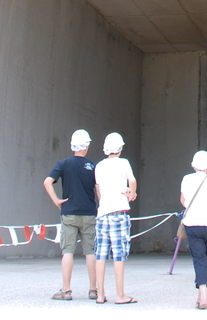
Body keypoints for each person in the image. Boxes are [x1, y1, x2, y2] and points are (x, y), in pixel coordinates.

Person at [43, 129, 98, 301]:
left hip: (69, 213)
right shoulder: (92, 166)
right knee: (90, 252)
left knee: (68, 251)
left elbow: (47, 182)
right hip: (89, 213)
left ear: (72, 145)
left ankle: (66, 290)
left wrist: (57, 200)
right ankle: (93, 290)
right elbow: (98, 190)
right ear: (87, 146)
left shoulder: (63, 164)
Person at [94, 132, 137, 304]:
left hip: (103, 213)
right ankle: (120, 295)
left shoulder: (99, 166)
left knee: (101, 254)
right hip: (119, 213)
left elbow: (99, 191)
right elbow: (132, 181)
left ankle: (100, 294)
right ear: (120, 148)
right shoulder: (124, 163)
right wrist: (131, 194)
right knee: (118, 254)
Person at [180, 150, 207, 309]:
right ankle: (204, 294)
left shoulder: (186, 179)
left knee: (199, 259)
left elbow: (183, 200)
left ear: (193, 165)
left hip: (192, 224)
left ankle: (202, 295)